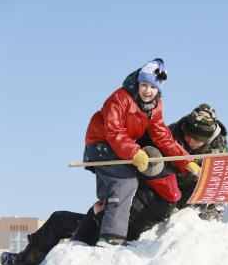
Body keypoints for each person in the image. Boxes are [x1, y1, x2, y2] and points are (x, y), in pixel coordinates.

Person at [0, 103, 228, 265]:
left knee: (62, 221)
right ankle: (27, 261)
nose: (190, 142)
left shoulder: (217, 151)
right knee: (66, 220)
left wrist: (97, 216)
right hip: (145, 202)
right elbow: (142, 149)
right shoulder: (170, 136)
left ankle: (26, 263)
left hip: (153, 211)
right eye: (188, 136)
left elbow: (223, 183)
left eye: (197, 140)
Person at [81, 58, 201, 246]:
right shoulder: (119, 98)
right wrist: (134, 152)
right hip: (101, 145)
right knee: (126, 181)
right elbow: (114, 132)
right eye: (144, 85)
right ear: (138, 83)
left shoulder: (155, 106)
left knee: (135, 181)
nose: (147, 91)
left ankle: (90, 232)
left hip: (124, 146)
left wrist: (186, 161)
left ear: (159, 89)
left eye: (152, 87)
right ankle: (111, 236)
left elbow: (162, 136)